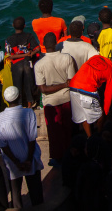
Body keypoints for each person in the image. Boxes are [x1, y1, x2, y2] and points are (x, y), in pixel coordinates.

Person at [34, 32, 76, 166]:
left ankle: (57, 157)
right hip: (66, 98)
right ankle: (70, 153)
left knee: (53, 131)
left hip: (50, 103)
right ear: (56, 44)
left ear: (44, 46)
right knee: (68, 128)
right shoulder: (67, 58)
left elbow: (43, 89)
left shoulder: (39, 65)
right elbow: (71, 81)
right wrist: (64, 85)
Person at [0, 86, 44, 207]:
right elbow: (32, 139)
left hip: (12, 162)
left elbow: (3, 145)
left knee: (16, 194)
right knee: (36, 192)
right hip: (30, 158)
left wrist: (16, 162)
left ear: (5, 99)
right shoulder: (28, 113)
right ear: (19, 97)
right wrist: (28, 160)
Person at [69, 53, 112, 136]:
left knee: (83, 117)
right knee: (100, 115)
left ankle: (89, 138)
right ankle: (98, 136)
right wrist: (106, 113)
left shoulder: (96, 57)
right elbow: (108, 94)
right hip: (88, 90)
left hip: (73, 87)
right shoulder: (111, 72)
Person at [5, 17, 40, 108]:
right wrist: (29, 54)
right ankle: (30, 103)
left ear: (13, 26)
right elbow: (37, 48)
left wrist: (21, 55)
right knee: (29, 83)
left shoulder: (9, 39)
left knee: (18, 85)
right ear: (24, 26)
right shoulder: (29, 36)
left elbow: (10, 56)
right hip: (27, 63)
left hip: (16, 65)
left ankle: (19, 104)